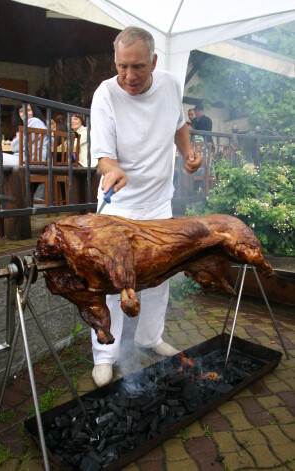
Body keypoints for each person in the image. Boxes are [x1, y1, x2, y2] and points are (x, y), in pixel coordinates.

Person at [90, 26, 202, 387]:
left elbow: (179, 124)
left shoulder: (169, 84)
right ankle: (105, 355)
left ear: (154, 61)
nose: (129, 76)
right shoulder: (106, 94)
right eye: (122, 66)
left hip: (158, 204)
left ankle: (149, 338)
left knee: (159, 280)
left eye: (137, 66)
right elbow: (103, 157)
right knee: (111, 282)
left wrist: (187, 153)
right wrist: (113, 168)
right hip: (119, 206)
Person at [0, 103, 46, 206]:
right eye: (21, 111)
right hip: (30, 162)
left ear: (34, 111)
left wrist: (17, 139)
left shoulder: (34, 121)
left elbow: (15, 146)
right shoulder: (40, 124)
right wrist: (18, 139)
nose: (24, 113)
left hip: (26, 162)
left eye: (28, 110)